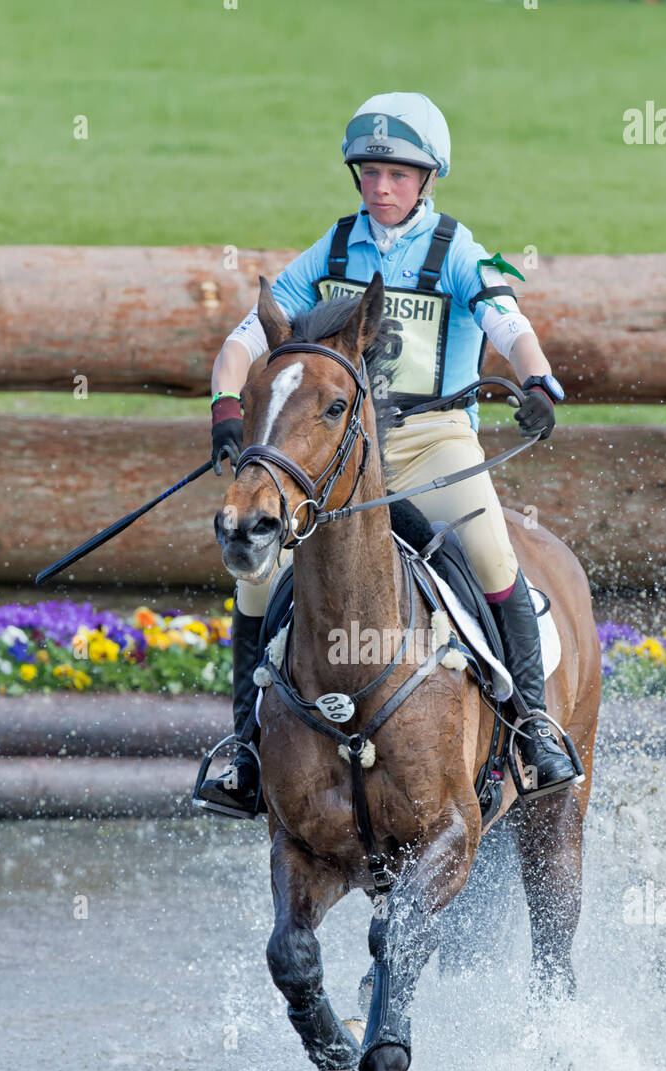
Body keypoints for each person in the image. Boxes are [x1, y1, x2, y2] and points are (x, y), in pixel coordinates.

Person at [198, 91, 575, 818]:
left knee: (493, 556)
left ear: (429, 178)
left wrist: (537, 378)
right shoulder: (332, 250)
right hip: (334, 452)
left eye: (398, 175)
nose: (381, 188)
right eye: (369, 173)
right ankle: (246, 750)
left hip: (433, 444)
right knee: (252, 580)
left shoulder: (460, 251)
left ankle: (533, 728)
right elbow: (247, 337)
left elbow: (509, 323)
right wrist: (227, 405)